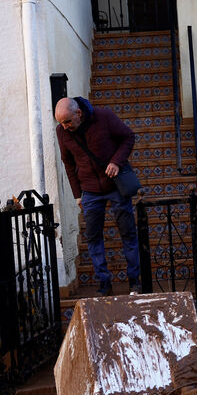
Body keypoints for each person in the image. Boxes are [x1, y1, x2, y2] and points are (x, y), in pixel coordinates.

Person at [55, 96, 140, 295]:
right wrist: (77, 195)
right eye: (60, 123)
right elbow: (68, 163)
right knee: (93, 238)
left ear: (78, 113)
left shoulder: (104, 116)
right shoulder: (62, 132)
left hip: (115, 185)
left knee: (128, 233)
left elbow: (128, 137)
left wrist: (116, 162)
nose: (64, 127)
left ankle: (134, 279)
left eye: (67, 121)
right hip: (90, 190)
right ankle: (104, 282)